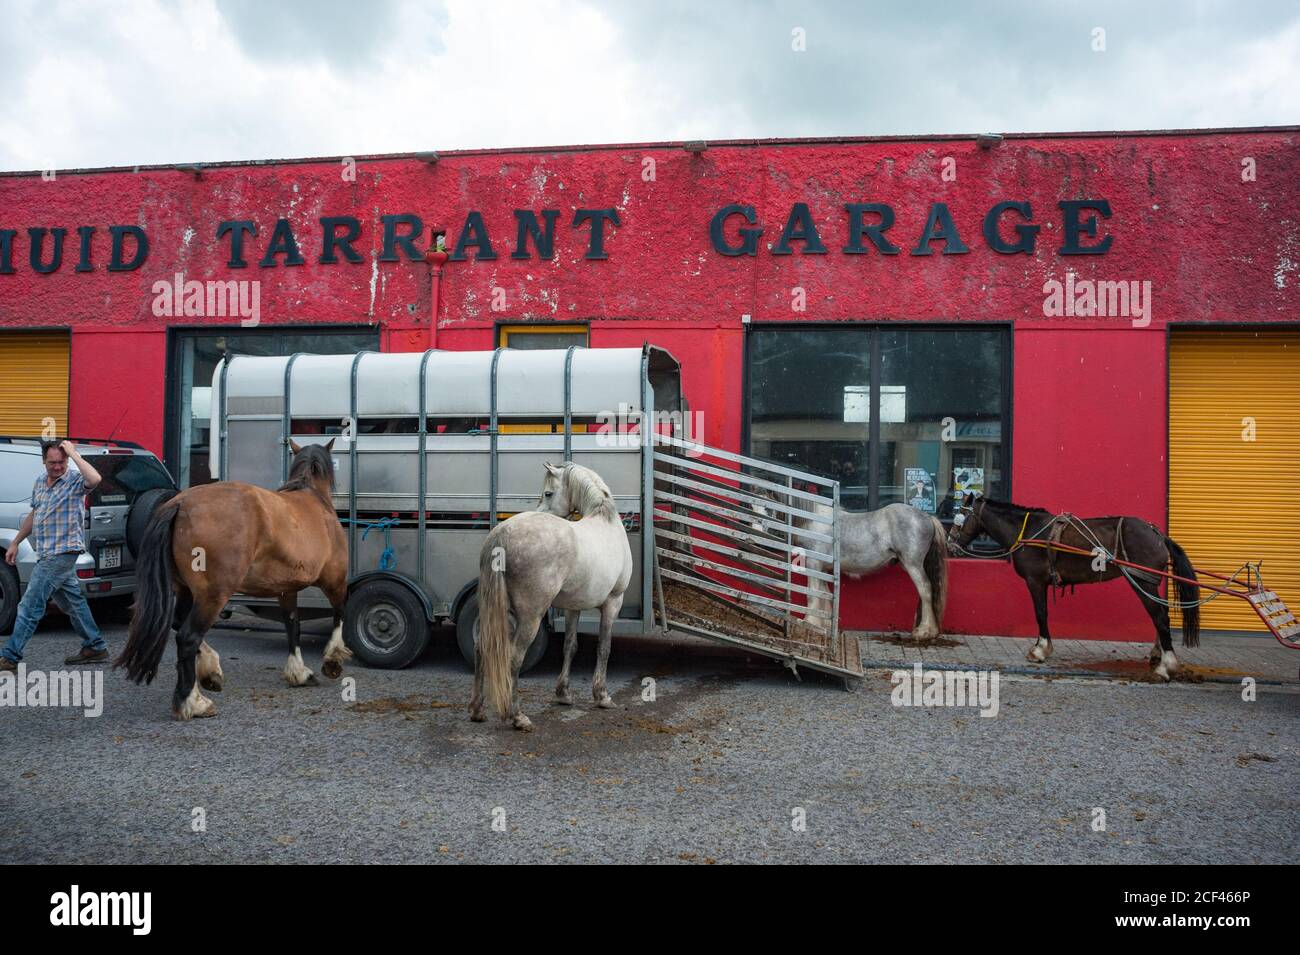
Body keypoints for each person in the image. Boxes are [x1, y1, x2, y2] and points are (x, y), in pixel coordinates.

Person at [1, 440, 107, 671]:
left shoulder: (75, 481)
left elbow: (96, 479)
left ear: (67, 461)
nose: (57, 467)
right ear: (43, 461)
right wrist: (16, 542)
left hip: (61, 553)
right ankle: (95, 645)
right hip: (47, 552)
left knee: (29, 605)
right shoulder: (40, 482)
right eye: (52, 462)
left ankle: (10, 656)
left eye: (62, 462)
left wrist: (73, 453)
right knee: (72, 603)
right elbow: (35, 514)